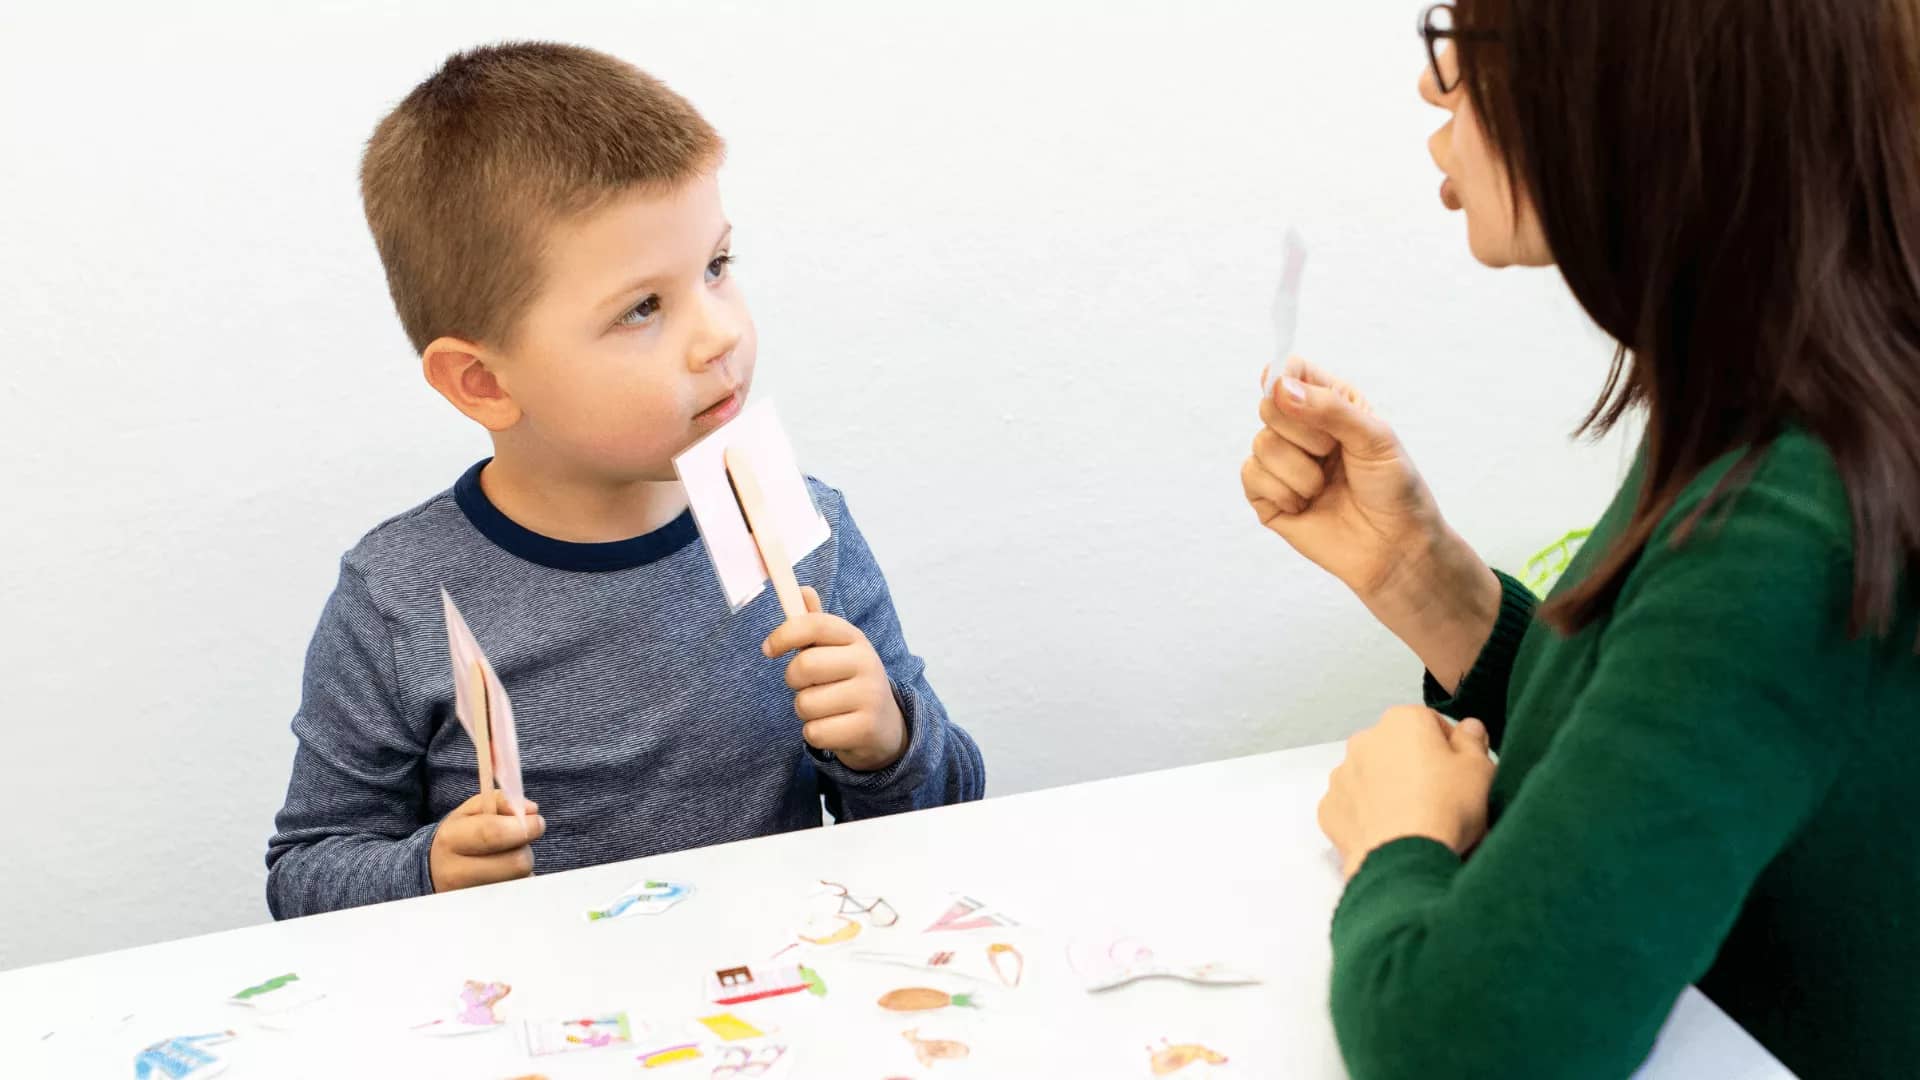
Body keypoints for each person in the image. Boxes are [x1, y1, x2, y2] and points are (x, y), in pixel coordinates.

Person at [1241, 3, 1920, 1076]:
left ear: (1633, 72)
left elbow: (1472, 1048)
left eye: (1469, 35)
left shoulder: (1788, 510)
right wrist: (1420, 575)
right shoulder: (1786, 413)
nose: (1436, 82)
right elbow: (1671, 759)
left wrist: (1398, 842)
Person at [266, 43, 984, 919]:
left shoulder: (808, 529)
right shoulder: (398, 596)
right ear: (484, 383)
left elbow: (945, 817)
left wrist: (889, 743)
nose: (717, 334)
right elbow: (304, 875)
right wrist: (427, 874)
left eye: (717, 267)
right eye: (643, 308)